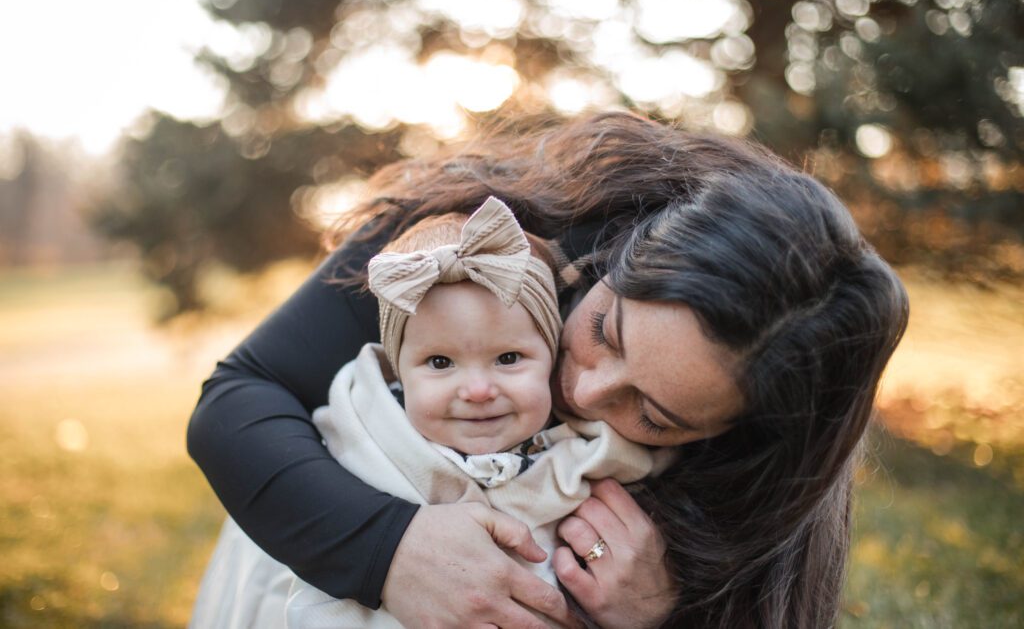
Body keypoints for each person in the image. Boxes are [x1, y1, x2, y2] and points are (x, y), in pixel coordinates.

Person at [187, 111, 910, 628]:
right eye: (605, 329)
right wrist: (389, 549)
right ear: (626, 245)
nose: (586, 388)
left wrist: (662, 614)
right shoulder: (468, 246)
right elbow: (238, 399)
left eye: (653, 416)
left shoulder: (758, 493)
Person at [190, 197, 660, 627]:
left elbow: (628, 460)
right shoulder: (360, 436)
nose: (477, 389)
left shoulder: (576, 453)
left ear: (551, 355)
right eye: (440, 363)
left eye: (509, 359)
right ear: (398, 371)